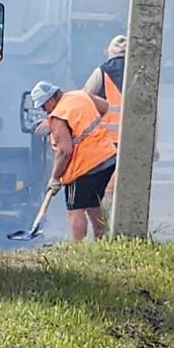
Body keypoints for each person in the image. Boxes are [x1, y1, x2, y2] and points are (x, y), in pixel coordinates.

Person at [30, 79, 118, 240]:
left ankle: (78, 246)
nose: (44, 111)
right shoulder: (79, 95)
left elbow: (64, 151)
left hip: (83, 166)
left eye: (43, 106)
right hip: (106, 157)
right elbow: (104, 107)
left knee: (75, 208)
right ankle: (102, 238)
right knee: (93, 202)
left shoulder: (58, 117)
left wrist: (55, 178)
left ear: (50, 99)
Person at [82, 34, 126, 148]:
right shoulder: (140, 73)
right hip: (133, 137)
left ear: (110, 52)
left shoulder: (101, 72)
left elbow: (84, 98)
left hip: (107, 139)